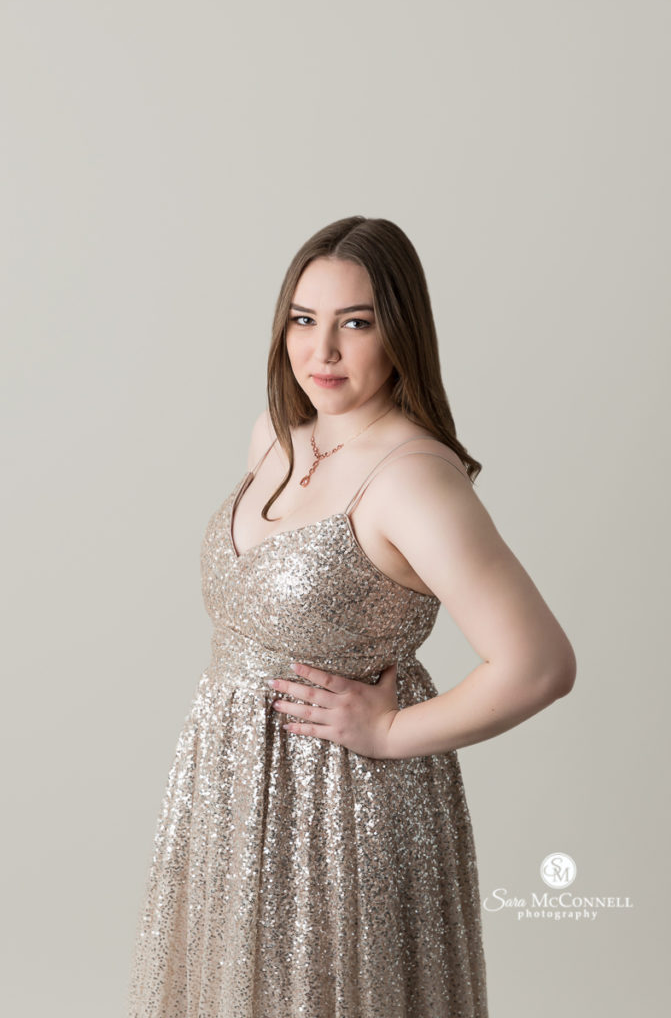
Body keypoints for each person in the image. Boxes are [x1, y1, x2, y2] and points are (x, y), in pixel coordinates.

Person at [127, 216, 576, 1017]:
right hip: (228, 788)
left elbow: (539, 663)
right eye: (303, 320)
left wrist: (391, 732)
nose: (322, 351)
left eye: (356, 324)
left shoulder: (412, 479)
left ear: (400, 331)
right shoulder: (275, 439)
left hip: (342, 807)